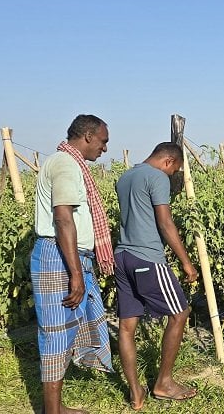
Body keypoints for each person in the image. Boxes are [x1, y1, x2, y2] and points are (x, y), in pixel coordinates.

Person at [30, 114, 115, 414]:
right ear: (89, 136)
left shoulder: (69, 164)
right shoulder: (66, 164)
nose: (104, 148)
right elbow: (63, 217)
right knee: (56, 334)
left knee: (68, 329)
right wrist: (76, 274)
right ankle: (52, 411)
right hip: (60, 257)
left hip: (69, 256)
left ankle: (56, 406)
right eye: (103, 141)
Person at [113, 142, 199, 409]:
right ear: (168, 162)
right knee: (180, 313)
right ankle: (163, 383)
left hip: (122, 257)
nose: (173, 176)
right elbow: (164, 222)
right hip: (146, 258)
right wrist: (187, 262)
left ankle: (136, 393)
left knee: (127, 327)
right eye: (175, 171)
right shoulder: (157, 177)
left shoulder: (125, 177)